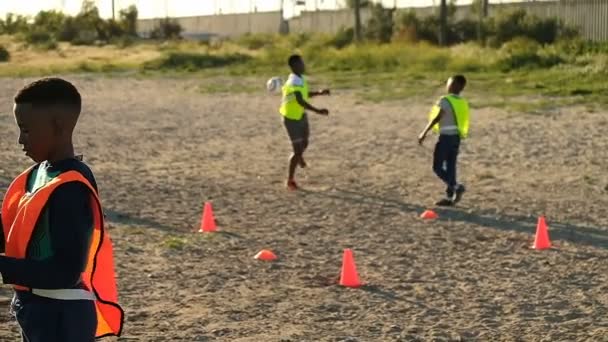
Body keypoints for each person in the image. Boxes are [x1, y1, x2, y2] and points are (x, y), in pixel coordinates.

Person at [0, 77, 124, 341]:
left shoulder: (71, 187)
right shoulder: (34, 176)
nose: (20, 139)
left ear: (58, 126)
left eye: (27, 130)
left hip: (63, 315)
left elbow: (65, 271)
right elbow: (14, 239)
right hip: (33, 308)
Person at [280, 54, 331, 191]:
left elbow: (304, 94)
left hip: (301, 115)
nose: (304, 65)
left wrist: (320, 92)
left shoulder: (300, 79)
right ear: (294, 66)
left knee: (305, 142)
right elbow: (300, 101)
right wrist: (318, 111)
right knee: (297, 150)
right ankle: (290, 180)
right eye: (301, 63)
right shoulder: (294, 81)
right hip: (291, 118)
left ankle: (299, 156)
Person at [418, 75, 470, 206]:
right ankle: (450, 196)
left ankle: (455, 186)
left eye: (449, 83)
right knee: (451, 166)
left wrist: (424, 132)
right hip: (456, 138)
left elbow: (437, 117)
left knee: (437, 167)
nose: (447, 85)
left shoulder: (445, 100)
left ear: (456, 86)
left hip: (446, 137)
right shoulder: (462, 102)